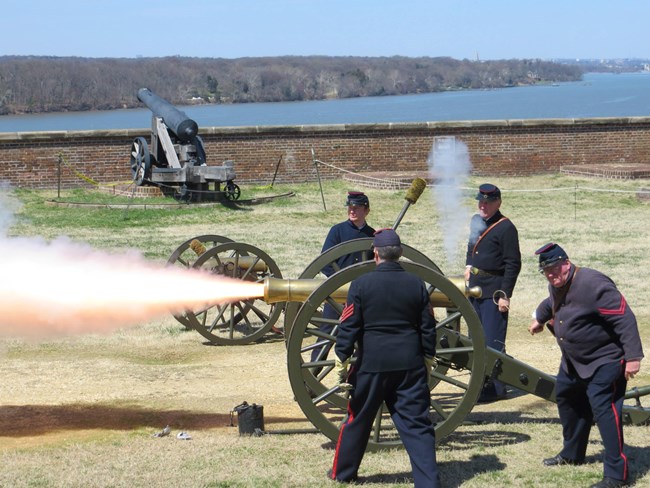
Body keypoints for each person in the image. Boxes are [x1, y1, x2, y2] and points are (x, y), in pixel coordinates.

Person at [329, 228, 440, 487]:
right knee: (417, 425)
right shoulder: (416, 284)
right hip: (409, 364)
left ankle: (343, 473)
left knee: (358, 420)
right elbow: (427, 326)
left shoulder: (361, 284)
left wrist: (342, 357)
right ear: (400, 254)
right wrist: (427, 356)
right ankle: (428, 482)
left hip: (372, 365)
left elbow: (349, 325)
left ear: (375, 253)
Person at [529, 243, 644, 488]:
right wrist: (539, 318)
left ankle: (617, 476)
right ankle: (572, 454)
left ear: (566, 263)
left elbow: (624, 318)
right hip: (575, 361)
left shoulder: (594, 284)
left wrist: (633, 357)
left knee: (605, 412)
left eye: (553, 268)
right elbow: (551, 302)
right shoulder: (558, 283)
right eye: (546, 271)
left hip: (605, 360)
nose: (550, 274)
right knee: (567, 398)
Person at [464, 183, 521, 402]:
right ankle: (480, 383)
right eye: (480, 201)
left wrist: (505, 294)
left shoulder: (506, 228)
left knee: (492, 340)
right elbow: (471, 246)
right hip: (475, 287)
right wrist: (469, 264)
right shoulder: (475, 221)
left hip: (494, 289)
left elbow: (513, 263)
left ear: (498, 202)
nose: (483, 205)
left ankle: (497, 387)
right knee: (475, 338)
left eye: (487, 202)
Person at [311, 191, 375, 365]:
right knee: (326, 336)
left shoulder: (372, 234)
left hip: (362, 296)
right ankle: (312, 374)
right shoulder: (337, 231)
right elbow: (324, 262)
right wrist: (341, 281)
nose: (352, 211)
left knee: (365, 338)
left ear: (366, 210)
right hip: (337, 295)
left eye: (356, 208)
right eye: (350, 208)